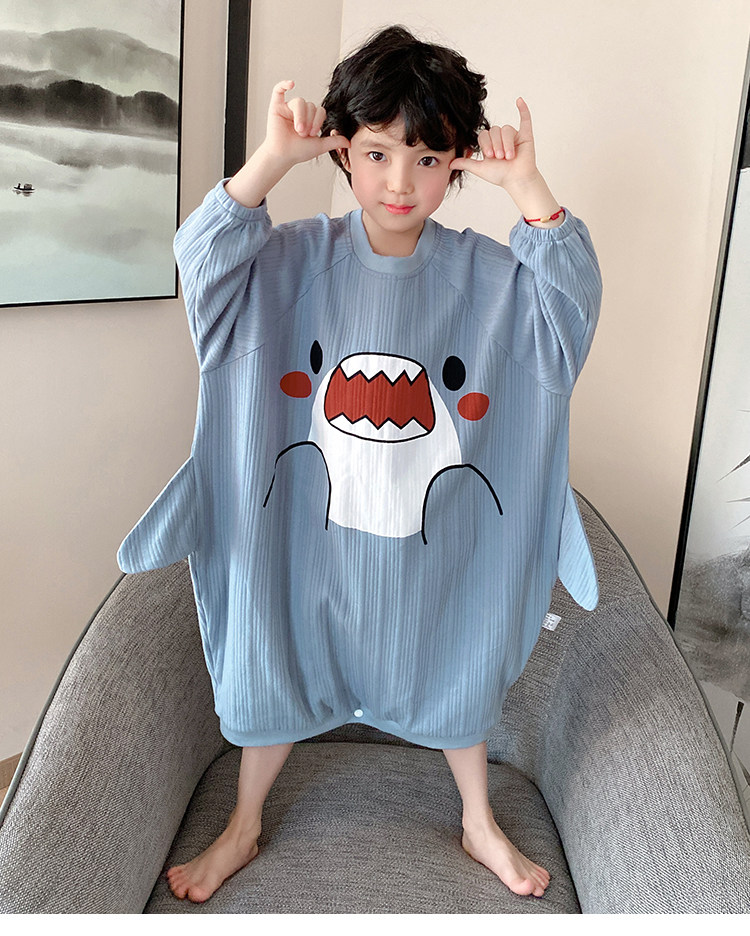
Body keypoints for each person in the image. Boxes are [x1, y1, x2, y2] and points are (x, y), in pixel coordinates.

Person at [119, 25, 601, 905]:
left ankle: (478, 821)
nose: (399, 182)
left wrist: (527, 185)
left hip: (434, 555)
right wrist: (271, 161)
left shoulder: (491, 281)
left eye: (427, 158)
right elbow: (204, 266)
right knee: (274, 650)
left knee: (459, 654)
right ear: (343, 151)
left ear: (457, 163)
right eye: (377, 153)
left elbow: (566, 321)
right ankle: (243, 824)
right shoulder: (289, 262)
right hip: (303, 547)